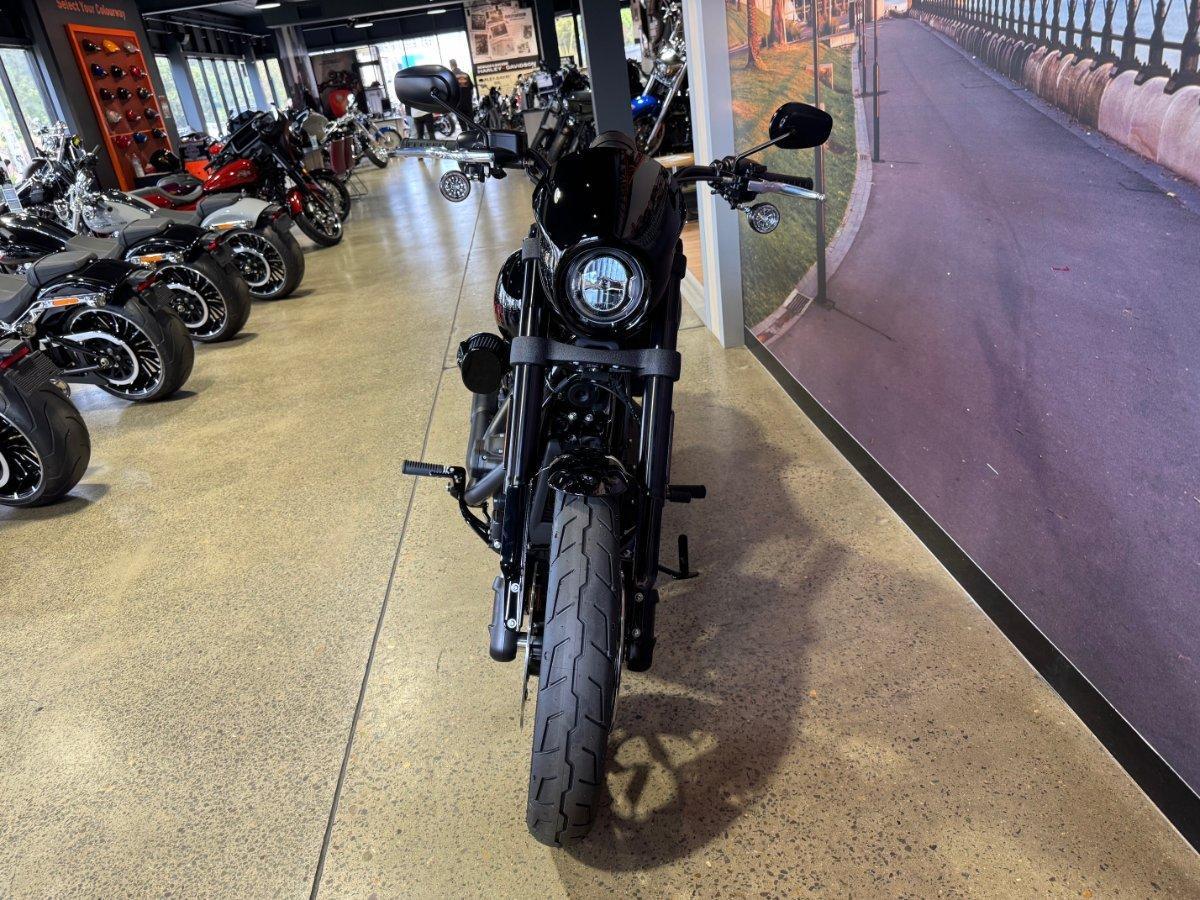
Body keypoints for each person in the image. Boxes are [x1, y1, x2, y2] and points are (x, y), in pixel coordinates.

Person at [448, 59, 475, 125]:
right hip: (468, 103)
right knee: (471, 123)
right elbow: (471, 88)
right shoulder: (465, 75)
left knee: (462, 124)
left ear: (451, 65)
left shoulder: (450, 76)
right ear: (456, 64)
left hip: (458, 105)